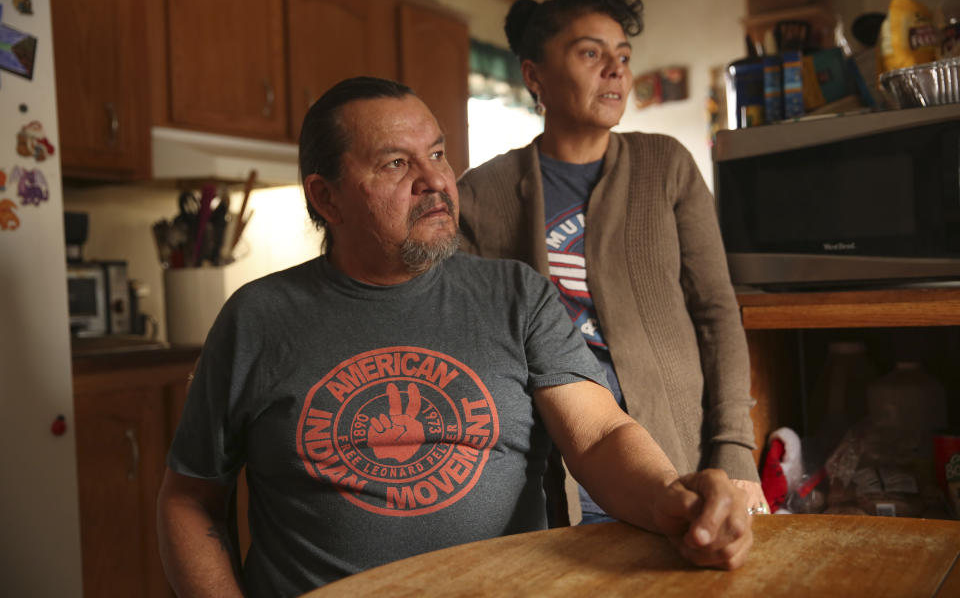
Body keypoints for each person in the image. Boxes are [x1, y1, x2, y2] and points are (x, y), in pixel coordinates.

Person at [156, 76, 753, 598]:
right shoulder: (257, 318)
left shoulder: (516, 295)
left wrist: (669, 499)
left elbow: (598, 436)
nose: (435, 180)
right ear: (326, 197)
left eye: (437, 153)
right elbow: (190, 499)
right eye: (396, 163)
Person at [457, 0, 765, 525]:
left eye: (622, 55)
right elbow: (471, 345)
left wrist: (734, 448)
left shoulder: (666, 165)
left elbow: (716, 311)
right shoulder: (482, 193)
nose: (616, 69)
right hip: (550, 465)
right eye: (590, 53)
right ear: (535, 76)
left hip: (672, 451)